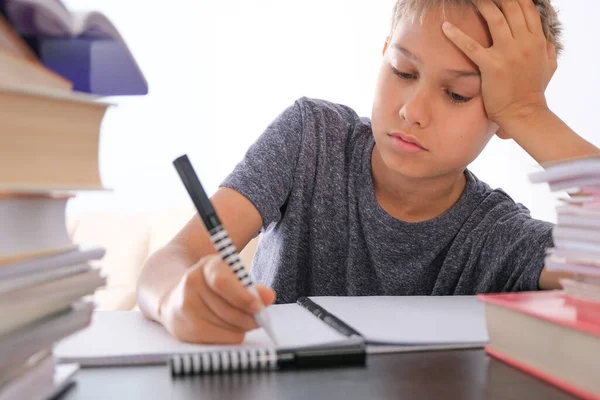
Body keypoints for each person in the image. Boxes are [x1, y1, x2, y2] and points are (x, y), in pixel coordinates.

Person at [137, 0, 600, 344]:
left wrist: (529, 113)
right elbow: (174, 257)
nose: (413, 110)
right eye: (402, 70)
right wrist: (175, 299)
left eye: (457, 94)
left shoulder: (497, 235)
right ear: (383, 55)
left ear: (502, 119)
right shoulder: (311, 138)